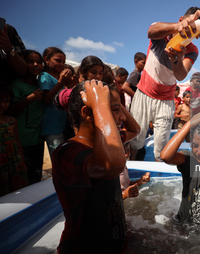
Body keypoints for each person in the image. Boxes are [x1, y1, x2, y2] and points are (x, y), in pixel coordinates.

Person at [52, 80, 140, 253]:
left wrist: (113, 101)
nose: (122, 117)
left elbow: (134, 129)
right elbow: (112, 165)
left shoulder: (104, 145)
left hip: (114, 241)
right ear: (87, 114)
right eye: (115, 110)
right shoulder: (67, 152)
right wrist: (100, 104)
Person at [129, 7, 200, 161]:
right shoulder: (162, 32)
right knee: (135, 141)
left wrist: (176, 59)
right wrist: (177, 27)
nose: (190, 33)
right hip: (143, 93)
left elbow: (181, 74)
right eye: (188, 26)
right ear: (181, 20)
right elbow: (151, 31)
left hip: (166, 100)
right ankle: (129, 170)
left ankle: (159, 180)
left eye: (194, 31)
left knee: (161, 149)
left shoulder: (192, 50)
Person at [9, 50, 45, 184]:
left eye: (39, 62)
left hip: (38, 139)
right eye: (30, 62)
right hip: (21, 141)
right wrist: (29, 99)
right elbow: (10, 111)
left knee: (36, 176)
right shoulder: (16, 85)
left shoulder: (42, 85)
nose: (36, 65)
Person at [38, 47, 72, 158]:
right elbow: (46, 99)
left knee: (64, 157)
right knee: (58, 159)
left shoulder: (57, 78)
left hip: (61, 124)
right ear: (46, 59)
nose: (61, 64)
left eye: (63, 62)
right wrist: (60, 82)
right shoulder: (44, 76)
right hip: (52, 126)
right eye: (58, 60)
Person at [0, 84, 28, 196]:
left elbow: (17, 142)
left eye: (6, 101)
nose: (3, 105)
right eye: (0, 101)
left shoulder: (12, 121)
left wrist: (22, 163)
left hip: (14, 163)